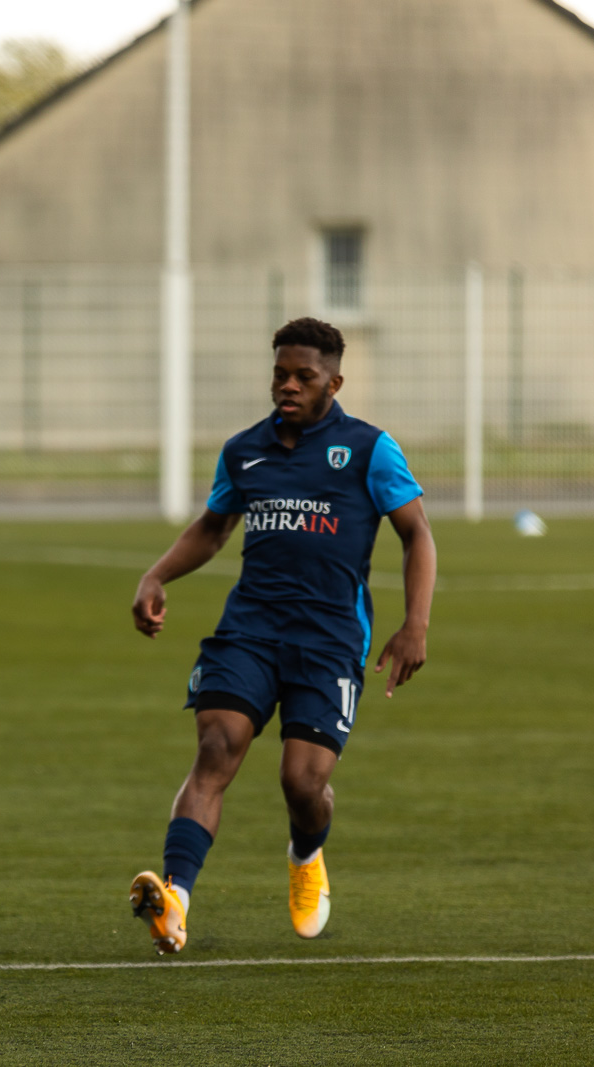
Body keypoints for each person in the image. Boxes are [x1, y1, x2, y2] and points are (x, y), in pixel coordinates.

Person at [128, 317, 436, 953]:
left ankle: (305, 854)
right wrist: (156, 576)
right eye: (280, 374)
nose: (288, 386)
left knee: (302, 782)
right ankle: (175, 903)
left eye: (304, 376)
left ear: (335, 382)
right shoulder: (245, 450)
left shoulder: (371, 449)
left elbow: (417, 535)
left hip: (328, 641)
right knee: (216, 746)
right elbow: (213, 529)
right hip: (250, 629)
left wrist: (415, 625)